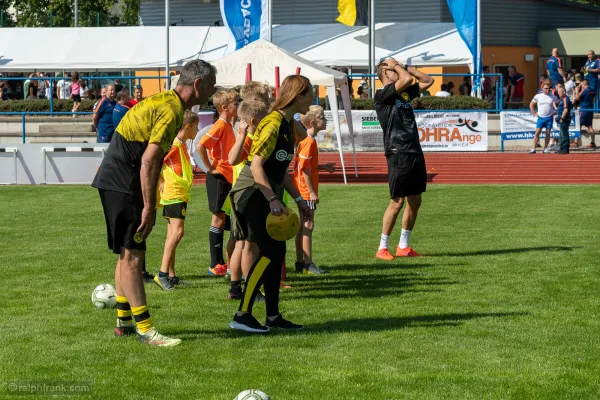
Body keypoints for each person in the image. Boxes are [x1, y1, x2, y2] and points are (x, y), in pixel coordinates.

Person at [91, 60, 217, 346]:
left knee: (126, 253)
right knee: (134, 255)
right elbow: (149, 159)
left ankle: (123, 322)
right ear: (197, 84)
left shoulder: (165, 101)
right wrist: (149, 206)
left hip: (114, 179)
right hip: (123, 181)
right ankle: (146, 330)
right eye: (209, 86)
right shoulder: (173, 109)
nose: (211, 92)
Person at [228, 75, 311, 333]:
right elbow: (255, 166)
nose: (313, 99)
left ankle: (273, 317)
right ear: (298, 96)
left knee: (277, 254)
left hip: (264, 190)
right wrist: (273, 199)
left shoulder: (287, 125)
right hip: (251, 192)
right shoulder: (273, 123)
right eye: (310, 94)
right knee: (268, 253)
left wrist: (299, 199)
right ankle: (242, 315)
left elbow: (280, 170)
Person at [373, 58, 434, 261]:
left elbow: (428, 80)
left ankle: (404, 246)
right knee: (397, 201)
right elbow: (406, 79)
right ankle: (382, 248)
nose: (397, 72)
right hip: (397, 150)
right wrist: (397, 67)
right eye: (392, 70)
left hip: (414, 149)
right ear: (385, 73)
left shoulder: (404, 91)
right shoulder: (383, 94)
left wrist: (404, 67)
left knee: (415, 200)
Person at [226, 99, 269, 299]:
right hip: (247, 194)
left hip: (241, 194)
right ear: (253, 120)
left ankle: (235, 288)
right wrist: (242, 135)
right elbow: (232, 159)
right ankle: (251, 290)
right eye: (264, 118)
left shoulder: (251, 136)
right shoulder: (250, 139)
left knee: (240, 243)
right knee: (249, 244)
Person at [153, 111, 199, 290]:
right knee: (177, 233)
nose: (197, 130)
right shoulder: (174, 144)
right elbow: (154, 160)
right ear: (187, 127)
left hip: (178, 193)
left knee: (172, 234)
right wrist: (162, 180)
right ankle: (162, 274)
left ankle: (171, 275)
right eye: (196, 126)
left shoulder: (180, 144)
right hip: (174, 193)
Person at [196, 89, 239, 276]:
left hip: (227, 176)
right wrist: (210, 168)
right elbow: (201, 145)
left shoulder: (228, 125)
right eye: (235, 103)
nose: (238, 105)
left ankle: (223, 261)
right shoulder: (220, 125)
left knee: (224, 218)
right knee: (218, 217)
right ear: (224, 107)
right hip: (219, 176)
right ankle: (215, 263)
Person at [294, 105, 335, 274]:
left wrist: (322, 166)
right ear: (312, 122)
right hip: (304, 190)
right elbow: (304, 170)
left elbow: (307, 166)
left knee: (302, 225)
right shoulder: (308, 142)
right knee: (308, 224)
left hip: (301, 189)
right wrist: (311, 192)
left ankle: (300, 262)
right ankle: (307, 263)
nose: (325, 120)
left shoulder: (307, 140)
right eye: (322, 118)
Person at [529, 80, 557, 154]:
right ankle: (533, 148)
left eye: (548, 88)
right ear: (542, 89)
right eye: (546, 88)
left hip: (549, 118)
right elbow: (531, 104)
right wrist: (534, 113)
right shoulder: (538, 96)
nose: (547, 90)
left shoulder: (553, 96)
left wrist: (556, 111)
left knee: (548, 133)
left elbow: (559, 104)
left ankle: (545, 148)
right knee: (537, 132)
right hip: (541, 117)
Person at [576, 79, 596, 148]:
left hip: (584, 110)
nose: (581, 86)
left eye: (581, 85)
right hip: (590, 109)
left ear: (583, 84)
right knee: (590, 126)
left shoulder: (584, 90)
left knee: (578, 125)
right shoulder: (592, 90)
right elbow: (594, 99)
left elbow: (577, 98)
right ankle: (593, 142)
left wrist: (576, 91)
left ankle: (576, 142)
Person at [555, 87, 573, 154]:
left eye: (559, 92)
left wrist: (562, 118)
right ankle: (562, 148)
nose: (558, 93)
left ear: (564, 92)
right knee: (562, 134)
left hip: (564, 120)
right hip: (563, 119)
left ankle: (565, 149)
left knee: (564, 134)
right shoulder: (563, 99)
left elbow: (566, 110)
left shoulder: (565, 99)